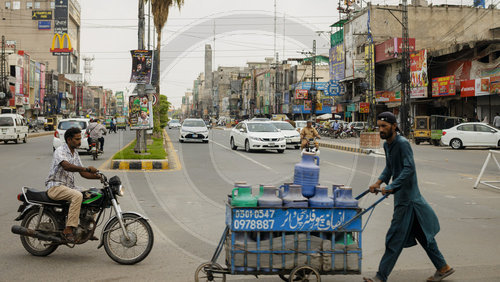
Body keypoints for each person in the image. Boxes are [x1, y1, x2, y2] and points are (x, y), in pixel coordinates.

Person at [363, 112, 454, 282]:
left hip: (409, 200)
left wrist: (391, 186)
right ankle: (443, 267)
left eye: (384, 126)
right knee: (424, 237)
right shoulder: (387, 145)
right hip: (404, 198)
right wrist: (378, 182)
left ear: (394, 126)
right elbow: (390, 167)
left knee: (394, 238)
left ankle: (380, 277)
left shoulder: (403, 144)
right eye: (379, 126)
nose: (380, 129)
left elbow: (409, 169)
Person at [45, 127, 100, 243]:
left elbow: (83, 173)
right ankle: (68, 229)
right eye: (77, 139)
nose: (80, 141)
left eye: (80, 138)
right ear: (69, 140)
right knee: (77, 196)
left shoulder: (75, 153)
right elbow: (67, 166)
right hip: (55, 187)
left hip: (68, 187)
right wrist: (87, 168)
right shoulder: (60, 151)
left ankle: (86, 229)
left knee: (93, 195)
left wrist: (99, 176)